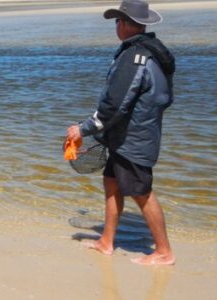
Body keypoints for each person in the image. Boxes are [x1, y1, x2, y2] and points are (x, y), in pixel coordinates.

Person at [66, 0, 176, 265]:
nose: (116, 26)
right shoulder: (151, 51)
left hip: (133, 138)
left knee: (142, 192)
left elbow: (116, 104)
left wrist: (82, 128)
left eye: (117, 21)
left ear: (125, 25)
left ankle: (164, 252)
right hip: (128, 134)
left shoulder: (135, 57)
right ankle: (107, 241)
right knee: (112, 183)